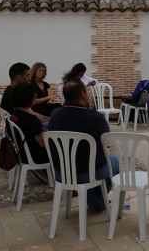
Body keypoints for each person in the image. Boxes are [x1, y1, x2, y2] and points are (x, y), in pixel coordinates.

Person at [48, 79, 120, 212]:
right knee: (115, 162)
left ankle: (95, 200)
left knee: (89, 161)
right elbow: (107, 135)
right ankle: (96, 200)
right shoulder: (95, 117)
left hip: (60, 172)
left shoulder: (55, 115)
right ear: (82, 94)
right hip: (88, 172)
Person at [9, 83, 50, 178]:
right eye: (34, 94)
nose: (36, 96)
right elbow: (44, 143)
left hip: (22, 154)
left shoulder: (14, 115)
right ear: (27, 98)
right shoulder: (31, 119)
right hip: (36, 157)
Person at [2, 62, 49, 127]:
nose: (29, 79)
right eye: (27, 76)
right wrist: (50, 121)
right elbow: (31, 114)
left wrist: (49, 120)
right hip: (26, 128)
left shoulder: (10, 91)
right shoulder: (15, 94)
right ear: (19, 77)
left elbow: (31, 113)